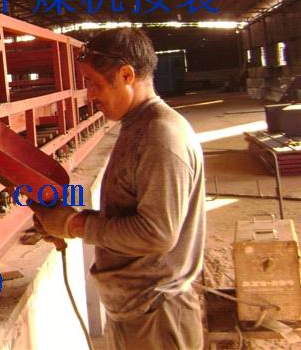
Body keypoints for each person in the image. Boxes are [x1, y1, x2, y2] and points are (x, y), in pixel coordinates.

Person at [31, 28, 205, 350]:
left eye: (95, 84)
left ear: (127, 75)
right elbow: (131, 215)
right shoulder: (137, 126)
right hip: (138, 312)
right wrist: (72, 220)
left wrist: (74, 225)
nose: (90, 95)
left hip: (157, 318)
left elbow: (157, 233)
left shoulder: (160, 136)